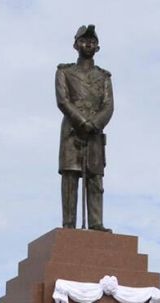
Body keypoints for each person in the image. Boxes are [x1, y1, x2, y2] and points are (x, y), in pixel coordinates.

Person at [56, 24, 113, 232]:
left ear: (97, 47)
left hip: (95, 133)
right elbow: (63, 100)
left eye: (92, 41)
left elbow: (108, 105)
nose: (88, 44)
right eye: (84, 40)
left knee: (95, 178)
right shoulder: (65, 72)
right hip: (72, 131)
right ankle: (68, 224)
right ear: (75, 44)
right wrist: (82, 122)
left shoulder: (104, 77)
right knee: (70, 178)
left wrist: (94, 124)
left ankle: (96, 223)